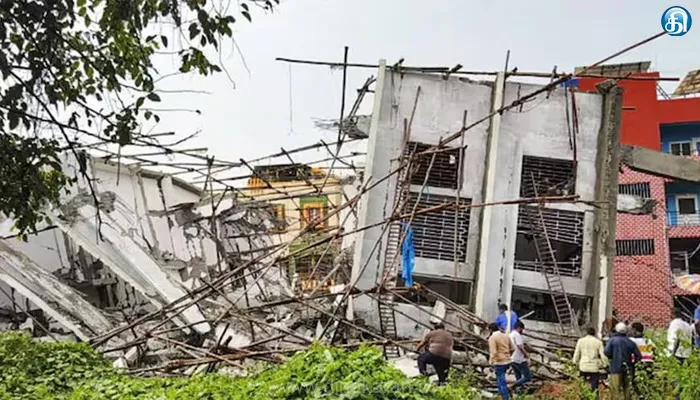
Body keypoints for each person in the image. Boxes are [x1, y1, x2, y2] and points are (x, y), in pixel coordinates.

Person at [604, 322, 642, 400]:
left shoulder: (612, 340)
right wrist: (633, 364)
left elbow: (606, 352)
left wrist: (612, 357)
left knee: (615, 391)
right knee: (627, 391)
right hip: (627, 369)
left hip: (615, 368)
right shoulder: (630, 342)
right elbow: (638, 355)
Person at [573, 326, 608, 395]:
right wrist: (605, 364)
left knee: (583, 385)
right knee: (595, 386)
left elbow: (577, 353)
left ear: (586, 333)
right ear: (594, 333)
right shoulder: (598, 342)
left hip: (583, 366)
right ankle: (594, 397)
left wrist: (575, 362)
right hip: (594, 367)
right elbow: (603, 355)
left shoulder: (580, 341)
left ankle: (583, 396)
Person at [488, 322, 515, 400]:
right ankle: (503, 397)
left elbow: (493, 352)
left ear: (490, 330)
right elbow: (512, 349)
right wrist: (508, 356)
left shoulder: (492, 338)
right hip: (507, 360)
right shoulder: (506, 335)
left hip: (499, 361)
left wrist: (491, 362)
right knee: (501, 380)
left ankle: (505, 398)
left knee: (501, 382)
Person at [509, 321, 531, 393]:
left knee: (518, 376)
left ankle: (518, 392)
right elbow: (520, 346)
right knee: (527, 376)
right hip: (519, 359)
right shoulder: (517, 335)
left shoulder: (510, 335)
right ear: (519, 328)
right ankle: (512, 386)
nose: (522, 331)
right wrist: (526, 355)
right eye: (522, 329)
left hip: (512, 358)